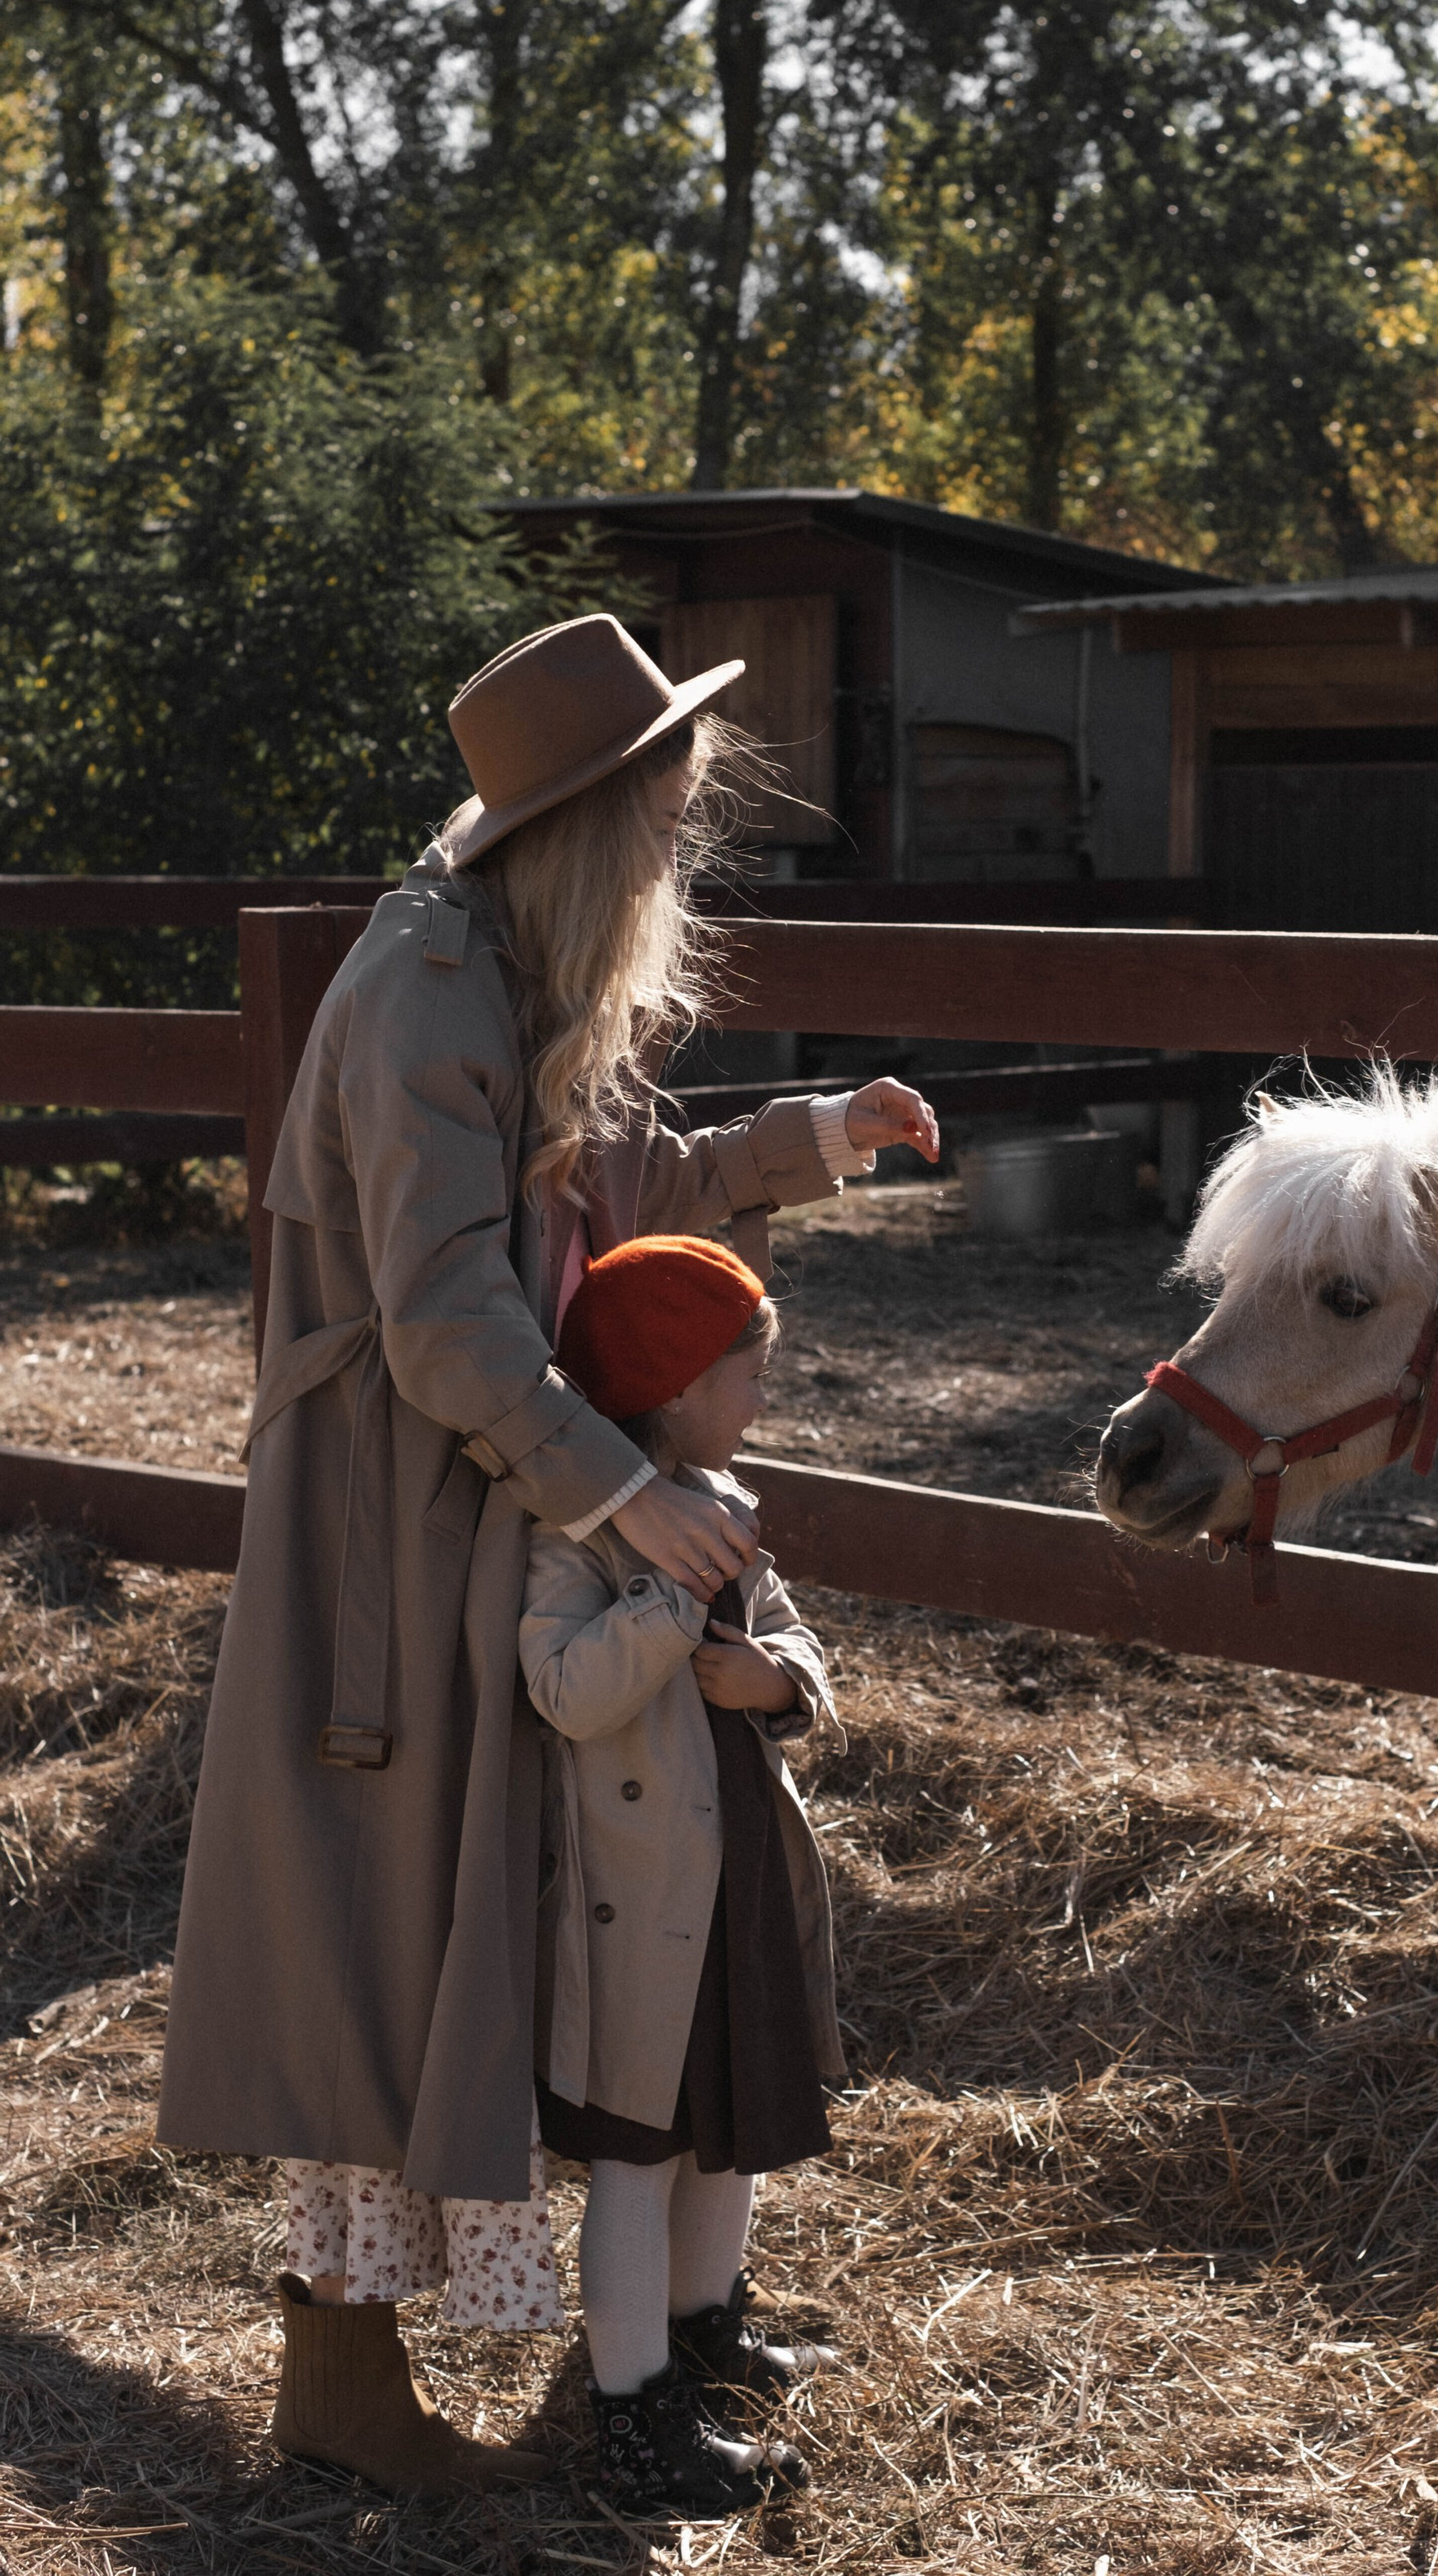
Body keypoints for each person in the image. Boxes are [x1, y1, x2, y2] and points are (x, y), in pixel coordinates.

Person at [155, 611, 938, 2493]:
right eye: (663, 819)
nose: (676, 854)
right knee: (389, 1917)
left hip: (478, 1491)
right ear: (583, 823)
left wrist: (808, 1140)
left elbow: (610, 1190)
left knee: (473, 1914)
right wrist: (616, 1490)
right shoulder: (430, 991)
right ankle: (340, 2385)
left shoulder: (506, 961)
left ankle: (600, 2338)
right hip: (395, 1530)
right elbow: (441, 1318)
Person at [523, 1232, 849, 2519]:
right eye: (748, 1374)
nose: (763, 1398)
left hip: (737, 1888)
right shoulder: (581, 1530)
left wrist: (781, 1682)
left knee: (730, 2137)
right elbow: (561, 1689)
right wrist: (667, 1605)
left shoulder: (724, 1497)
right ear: (671, 1386)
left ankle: (709, 2335)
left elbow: (794, 1637)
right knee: (640, 2161)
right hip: (636, 1909)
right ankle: (636, 2418)